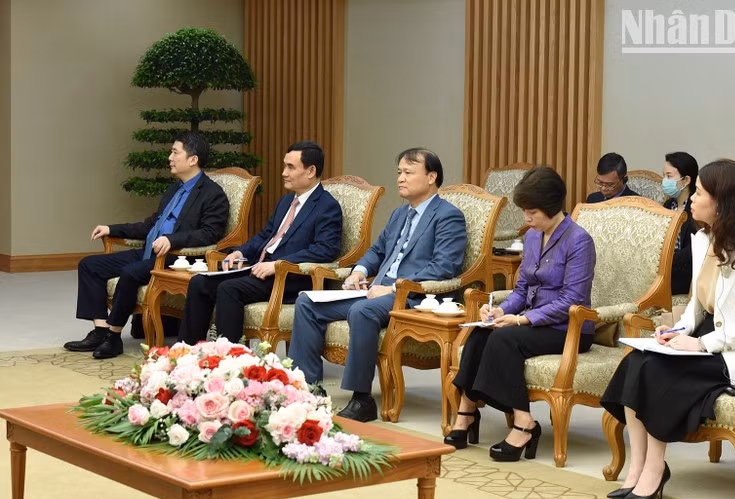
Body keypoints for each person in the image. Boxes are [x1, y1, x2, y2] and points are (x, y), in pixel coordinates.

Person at [600, 159, 735, 499]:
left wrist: (700, 343)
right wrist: (677, 330)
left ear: (721, 201)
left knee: (658, 372)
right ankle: (637, 467)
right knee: (636, 362)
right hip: (704, 336)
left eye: (699, 193)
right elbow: (697, 306)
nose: (691, 200)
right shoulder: (703, 238)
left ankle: (655, 469)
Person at [288, 148, 467, 421]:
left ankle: (362, 400)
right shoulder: (399, 214)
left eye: (408, 173)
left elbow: (444, 267)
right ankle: (307, 390)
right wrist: (358, 272)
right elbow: (377, 251)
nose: (400, 179)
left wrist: (395, 287)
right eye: (399, 173)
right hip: (376, 291)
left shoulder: (448, 216)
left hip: (413, 297)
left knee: (362, 311)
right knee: (307, 302)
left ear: (431, 177)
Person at [447, 166, 596, 462]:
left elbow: (572, 300)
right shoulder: (531, 237)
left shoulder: (579, 241)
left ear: (552, 208)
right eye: (524, 211)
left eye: (532, 212)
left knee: (504, 339)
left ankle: (524, 423)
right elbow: (521, 289)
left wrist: (522, 319)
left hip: (568, 329)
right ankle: (466, 413)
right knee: (480, 334)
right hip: (531, 323)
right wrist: (501, 310)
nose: (526, 219)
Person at [65, 131, 229, 359]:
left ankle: (113, 337)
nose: (169, 157)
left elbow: (211, 233)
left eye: (175, 152)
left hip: (177, 258)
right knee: (90, 265)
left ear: (193, 159)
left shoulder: (213, 194)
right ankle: (100, 330)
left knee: (130, 273)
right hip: (149, 252)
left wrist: (173, 239)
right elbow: (151, 225)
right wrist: (112, 229)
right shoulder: (174, 189)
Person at [178, 141, 342, 344]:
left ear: (311, 171)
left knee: (229, 289)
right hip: (260, 269)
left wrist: (277, 265)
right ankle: (188, 351)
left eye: (290, 167)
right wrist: (240, 252)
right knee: (199, 282)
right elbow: (265, 236)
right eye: (285, 166)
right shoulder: (286, 201)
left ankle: (230, 360)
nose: (283, 172)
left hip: (290, 277)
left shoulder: (327, 206)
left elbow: (325, 250)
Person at [662, 152, 699, 294]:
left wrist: (665, 261)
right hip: (663, 270)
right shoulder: (667, 205)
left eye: (669, 176)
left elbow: (693, 250)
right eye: (664, 175)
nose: (664, 181)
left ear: (686, 180)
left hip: (684, 274)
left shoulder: (696, 209)